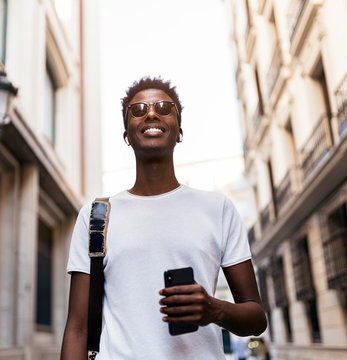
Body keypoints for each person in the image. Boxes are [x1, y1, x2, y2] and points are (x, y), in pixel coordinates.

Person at [60, 77, 267, 359]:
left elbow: (256, 317)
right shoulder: (96, 216)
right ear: (126, 134)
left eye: (163, 107)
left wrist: (215, 309)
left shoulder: (217, 208)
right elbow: (77, 328)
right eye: (138, 109)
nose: (151, 113)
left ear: (179, 130)